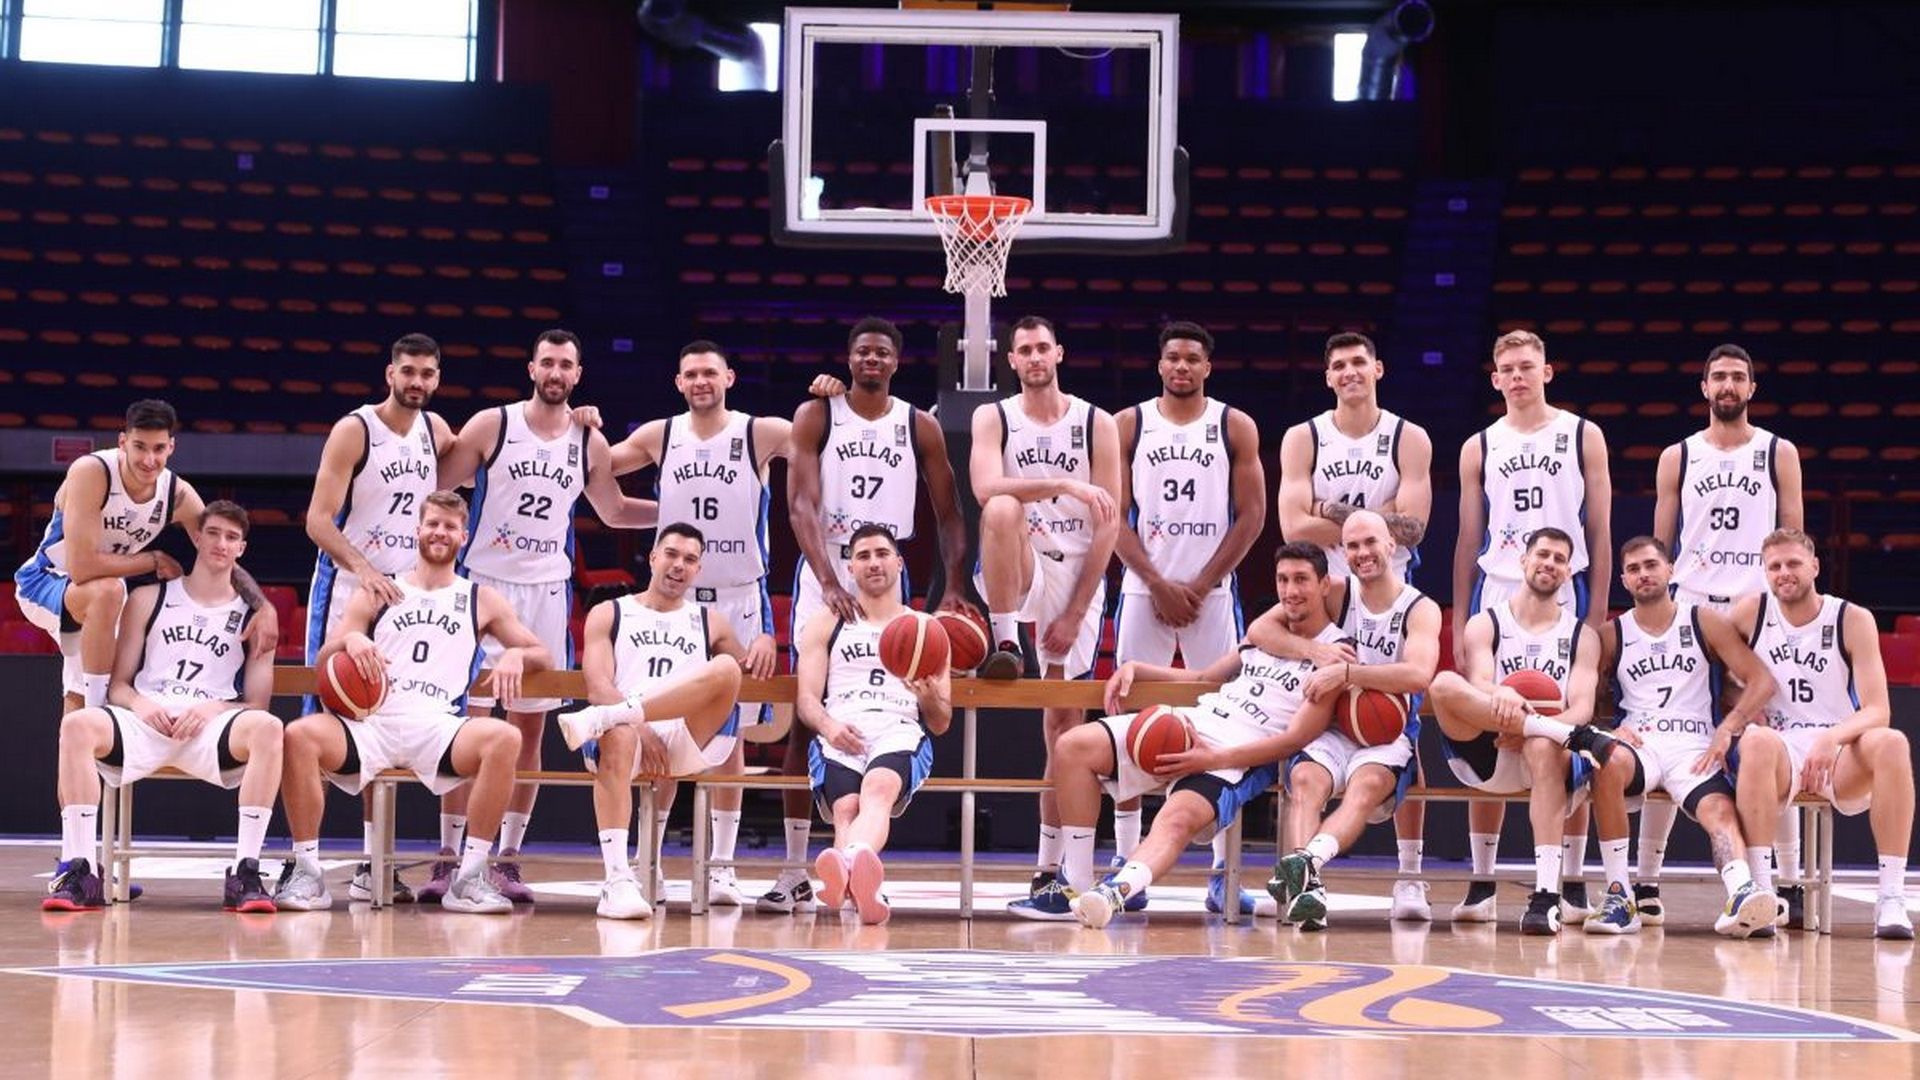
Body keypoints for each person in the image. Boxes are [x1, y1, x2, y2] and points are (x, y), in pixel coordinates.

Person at [608, 343, 841, 906]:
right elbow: (596, 467)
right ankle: (648, 862)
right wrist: (585, 423)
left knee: (732, 737)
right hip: (678, 601)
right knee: (665, 726)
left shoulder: (758, 431)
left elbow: (825, 440)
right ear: (678, 382)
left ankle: (721, 869)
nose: (701, 381)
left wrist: (831, 400)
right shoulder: (659, 435)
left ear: (729, 377)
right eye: (691, 374)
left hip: (740, 599)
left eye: (710, 372)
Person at [431, 328, 658, 903]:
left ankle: (507, 857)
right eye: (548, 363)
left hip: (547, 592)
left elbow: (613, 511)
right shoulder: (492, 425)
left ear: (578, 375)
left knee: (528, 728)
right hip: (482, 585)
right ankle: (450, 856)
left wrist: (678, 511)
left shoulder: (589, 441)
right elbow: (436, 480)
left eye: (566, 365)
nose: (556, 373)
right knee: (465, 725)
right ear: (531, 368)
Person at [764, 317, 976, 914]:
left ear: (895, 362)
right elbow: (799, 504)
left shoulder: (918, 424)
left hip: (884, 561)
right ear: (849, 357)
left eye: (882, 352)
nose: (872, 359)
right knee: (807, 717)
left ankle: (847, 861)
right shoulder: (818, 413)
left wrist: (953, 584)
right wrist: (829, 579)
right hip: (827, 564)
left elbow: (950, 511)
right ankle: (794, 868)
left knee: (898, 693)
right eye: (863, 351)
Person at [275, 490, 549, 915]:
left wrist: (516, 655)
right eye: (433, 524)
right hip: (372, 722)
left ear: (464, 536)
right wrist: (351, 639)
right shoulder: (379, 590)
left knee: (505, 738)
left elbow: (542, 654)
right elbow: (327, 654)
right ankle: (307, 872)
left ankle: (470, 876)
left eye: (450, 526)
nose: (440, 532)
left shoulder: (480, 598)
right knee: (298, 735)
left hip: (437, 725)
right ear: (418, 530)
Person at [1064, 542, 1342, 930]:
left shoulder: (1336, 656)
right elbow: (1204, 678)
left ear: (1325, 585)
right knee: (1073, 747)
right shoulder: (1265, 637)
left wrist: (1212, 759)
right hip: (1195, 721)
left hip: (1235, 754)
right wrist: (1137, 668)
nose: (1290, 590)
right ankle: (1074, 886)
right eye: (1283, 580)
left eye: (1301, 580)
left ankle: (1115, 892)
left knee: (1176, 819)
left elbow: (1294, 740)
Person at [42, 501, 282, 913]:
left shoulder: (256, 616)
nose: (221, 544)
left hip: (209, 730)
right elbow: (119, 685)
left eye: (231, 537)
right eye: (213, 533)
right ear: (197, 537)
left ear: (242, 548)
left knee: (269, 728)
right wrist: (141, 703)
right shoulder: (148, 598)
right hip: (147, 721)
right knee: (77, 724)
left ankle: (246, 872)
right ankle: (82, 870)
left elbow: (257, 703)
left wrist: (212, 709)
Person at [964, 317, 1124, 919]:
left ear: (1059, 353)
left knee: (1063, 728)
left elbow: (1108, 525)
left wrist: (1077, 611)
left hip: (1077, 574)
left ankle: (1055, 870)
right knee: (1003, 507)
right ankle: (1006, 639)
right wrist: (1063, 484)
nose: (1034, 357)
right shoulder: (995, 417)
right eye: (1024, 350)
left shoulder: (1095, 421)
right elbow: (986, 488)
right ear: (1011, 359)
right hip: (1023, 561)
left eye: (1042, 348)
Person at [1450, 331, 1612, 924]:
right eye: (1507, 369)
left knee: (1567, 728)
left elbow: (1599, 530)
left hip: (1565, 586)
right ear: (1495, 379)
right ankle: (1482, 879)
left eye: (1527, 366)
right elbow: (1469, 537)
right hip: (1498, 586)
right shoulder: (1479, 445)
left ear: (1547, 372)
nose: (1517, 376)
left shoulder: (1582, 434)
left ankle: (1571, 880)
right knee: (1491, 722)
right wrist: (1460, 613)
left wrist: (1596, 613)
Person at [1642, 342, 1806, 925]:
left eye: (1738, 376)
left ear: (1752, 388)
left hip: (1754, 609)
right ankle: (1646, 881)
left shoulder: (1778, 452)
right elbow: (1660, 546)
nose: (1728, 385)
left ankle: (1788, 881)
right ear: (1704, 387)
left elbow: (1792, 540)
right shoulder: (1678, 456)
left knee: (1770, 735)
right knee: (1671, 732)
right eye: (1719, 377)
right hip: (1691, 605)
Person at [1275, 331, 1435, 919]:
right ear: (1328, 377)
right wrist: (1321, 657)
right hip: (1326, 595)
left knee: (1401, 739)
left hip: (1390, 598)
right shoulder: (1305, 437)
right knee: (1308, 769)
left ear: (1378, 369)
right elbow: (1291, 525)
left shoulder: (1408, 436)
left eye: (1359, 363)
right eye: (1338, 365)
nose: (1349, 372)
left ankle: (1410, 877)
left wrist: (1332, 513)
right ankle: (1301, 883)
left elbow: (1415, 527)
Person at [1110, 320, 1268, 916]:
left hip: (1213, 595)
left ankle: (1224, 872)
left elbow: (1252, 516)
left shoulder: (1234, 425)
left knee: (1229, 725)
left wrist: (1200, 585)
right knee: (1126, 721)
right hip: (1142, 589)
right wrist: (1157, 583)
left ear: (1207, 366)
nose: (1181, 366)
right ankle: (1127, 864)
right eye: (1172, 357)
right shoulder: (1129, 424)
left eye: (1192, 358)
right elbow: (1111, 515)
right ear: (1160, 365)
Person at [303, 332, 455, 903]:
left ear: (437, 379)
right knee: (324, 724)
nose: (417, 382)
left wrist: (575, 417)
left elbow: (495, 455)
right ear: (390, 374)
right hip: (348, 585)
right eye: (408, 371)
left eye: (427, 373)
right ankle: (305, 863)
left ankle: (374, 864)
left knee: (382, 717)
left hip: (405, 598)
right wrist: (365, 569)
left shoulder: (436, 431)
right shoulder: (355, 429)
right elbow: (318, 520)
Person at [16, 399, 276, 714]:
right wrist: (153, 560)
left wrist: (264, 607)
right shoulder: (92, 471)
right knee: (109, 594)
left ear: (171, 447)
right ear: (123, 442)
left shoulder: (177, 494)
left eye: (158, 449)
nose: (149, 459)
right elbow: (82, 568)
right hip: (47, 582)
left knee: (89, 672)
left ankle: (88, 728)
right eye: (140, 447)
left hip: (103, 596)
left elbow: (219, 551)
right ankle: (98, 717)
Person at [553, 523, 750, 920]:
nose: (679, 565)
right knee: (619, 734)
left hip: (681, 734)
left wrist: (762, 643)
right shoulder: (610, 612)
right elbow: (598, 685)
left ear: (698, 570)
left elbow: (744, 669)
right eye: (672, 554)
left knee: (727, 668)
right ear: (654, 557)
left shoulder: (709, 620)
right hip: (625, 737)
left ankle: (613, 719)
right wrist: (641, 726)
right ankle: (617, 881)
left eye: (690, 559)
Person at [1726, 528, 1913, 940]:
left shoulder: (1851, 618)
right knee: (1755, 739)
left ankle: (1891, 897)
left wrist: (1831, 738)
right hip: (1780, 749)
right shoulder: (1749, 614)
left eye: (1793, 563)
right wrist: (1742, 707)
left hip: (1840, 751)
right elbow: (1713, 670)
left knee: (1892, 742)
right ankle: (1761, 894)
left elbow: (1878, 709)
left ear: (1814, 566)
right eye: (1774, 566)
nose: (1784, 573)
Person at [1590, 536, 1780, 938]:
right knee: (1605, 760)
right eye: (1634, 569)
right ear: (1624, 580)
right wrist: (1606, 729)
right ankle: (1620, 897)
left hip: (1693, 745)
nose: (1644, 574)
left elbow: (1761, 681)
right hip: (1639, 743)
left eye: (1651, 565)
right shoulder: (1611, 634)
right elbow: (1584, 696)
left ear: (1670, 569)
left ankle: (1742, 892)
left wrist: (1728, 727)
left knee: (1719, 811)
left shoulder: (1703, 621)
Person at [1427, 527, 1612, 935]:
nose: (1550, 563)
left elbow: (1582, 708)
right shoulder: (1486, 622)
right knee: (1443, 685)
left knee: (1544, 746)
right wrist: (1505, 697)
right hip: (1493, 744)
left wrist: (1534, 732)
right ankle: (1482, 883)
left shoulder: (1582, 635)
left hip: (1548, 756)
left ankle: (1547, 894)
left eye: (1559, 559)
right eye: (1542, 554)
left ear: (1569, 572)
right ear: (1523, 560)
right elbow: (1479, 682)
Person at [1262, 511, 1440, 930]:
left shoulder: (1420, 607)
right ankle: (1307, 890)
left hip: (1388, 732)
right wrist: (1314, 651)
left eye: (1370, 542)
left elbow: (1418, 675)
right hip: (1334, 726)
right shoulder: (1338, 593)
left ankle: (1311, 867)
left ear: (1392, 545)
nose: (1362, 553)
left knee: (1364, 788)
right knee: (1304, 781)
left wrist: (1347, 673)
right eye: (1352, 546)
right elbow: (1260, 630)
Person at [793, 525, 952, 926]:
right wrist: (828, 726)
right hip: (841, 725)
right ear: (850, 568)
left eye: (882, 553)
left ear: (899, 562)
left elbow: (941, 721)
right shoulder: (826, 623)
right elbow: (807, 699)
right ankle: (861, 894)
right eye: (863, 556)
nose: (874, 562)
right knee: (846, 808)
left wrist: (927, 696)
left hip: (898, 727)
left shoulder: (926, 629)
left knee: (877, 789)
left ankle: (847, 865)